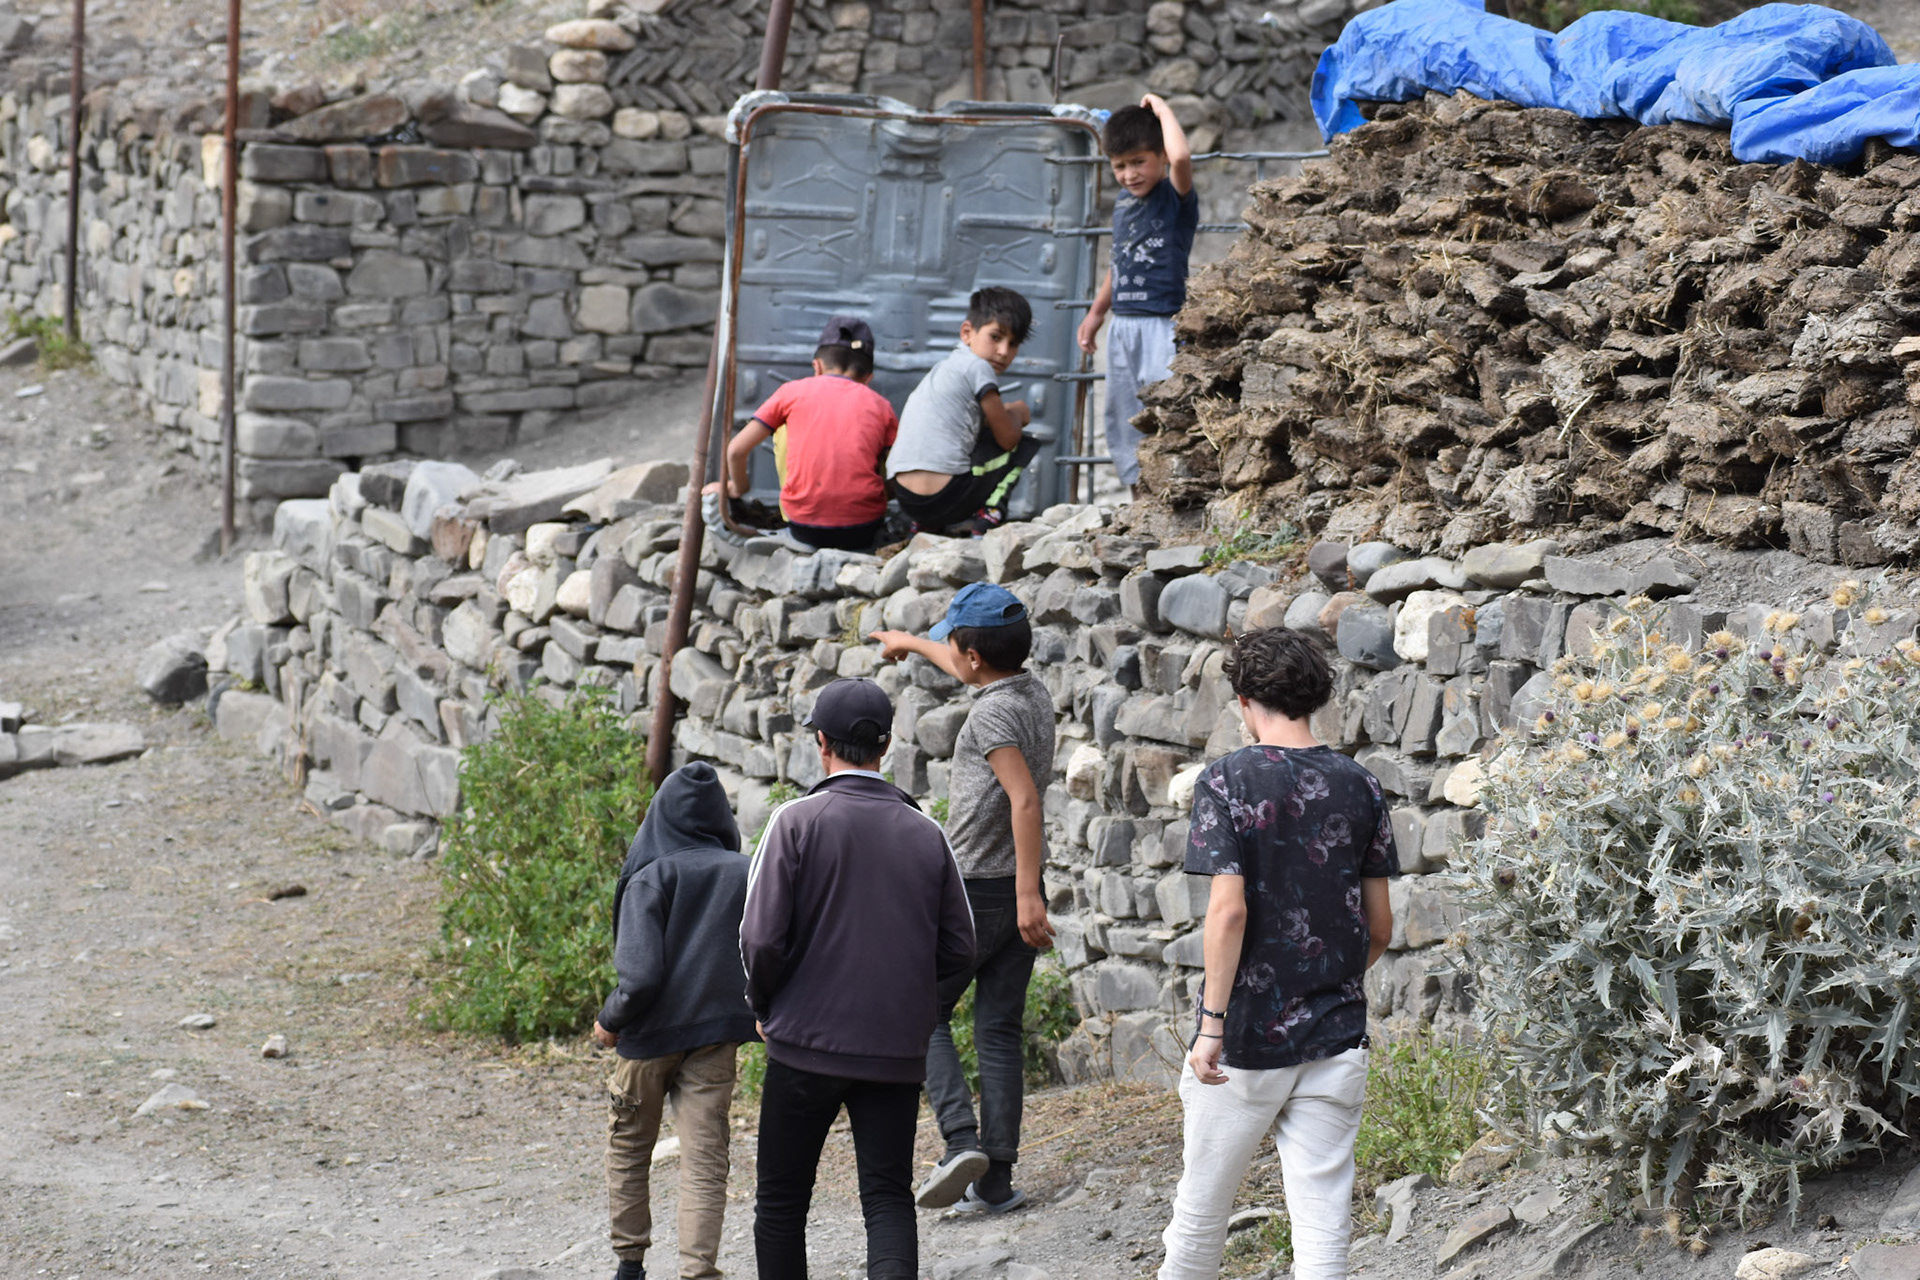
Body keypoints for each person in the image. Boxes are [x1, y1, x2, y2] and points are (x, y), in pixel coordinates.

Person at [1158, 627, 1398, 1280]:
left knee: (1200, 1218)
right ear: (1316, 697)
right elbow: (1379, 927)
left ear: (1244, 701)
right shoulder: (1362, 785)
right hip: (1336, 1034)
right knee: (1323, 1229)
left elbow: (1228, 912)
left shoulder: (1227, 781)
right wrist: (1325, 982)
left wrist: (1211, 1025)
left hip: (1244, 1038)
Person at [740, 677, 977, 1280]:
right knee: (888, 1198)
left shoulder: (795, 822)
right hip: (894, 1051)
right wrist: (918, 1009)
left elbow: (759, 938)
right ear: (887, 745)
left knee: (782, 1203)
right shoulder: (926, 831)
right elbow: (961, 947)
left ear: (821, 742)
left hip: (802, 1044)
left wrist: (763, 1005)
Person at [869, 582, 1055, 1216]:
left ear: (975, 655)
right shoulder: (1028, 690)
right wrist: (911, 643)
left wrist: (1026, 896)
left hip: (980, 890)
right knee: (998, 1031)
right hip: (1016, 889)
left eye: (951, 643)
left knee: (919, 1010)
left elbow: (1023, 800)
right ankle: (995, 1181)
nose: (950, 653)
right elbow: (964, 664)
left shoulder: (990, 717)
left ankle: (959, 1142)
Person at [591, 760, 761, 1280]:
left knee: (629, 1147)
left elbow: (640, 977)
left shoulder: (652, 875)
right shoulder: (746, 871)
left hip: (647, 1040)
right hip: (715, 1039)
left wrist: (609, 1019)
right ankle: (697, 1270)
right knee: (705, 1161)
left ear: (659, 814)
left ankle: (630, 1265)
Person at [1075, 94, 1198, 498]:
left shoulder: (1174, 197)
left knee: (1166, 407)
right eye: (1120, 166)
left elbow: (1182, 158)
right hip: (1123, 324)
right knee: (1124, 415)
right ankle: (1138, 498)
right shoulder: (1124, 204)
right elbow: (1119, 261)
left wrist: (1162, 111)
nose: (1129, 175)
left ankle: (1174, 490)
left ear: (1160, 156)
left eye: (1139, 162)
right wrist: (1097, 312)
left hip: (1162, 322)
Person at [718, 315, 899, 551]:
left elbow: (735, 450)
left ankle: (788, 531)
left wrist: (737, 489)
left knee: (783, 428)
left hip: (804, 527)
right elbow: (900, 473)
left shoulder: (791, 392)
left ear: (817, 366)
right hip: (863, 529)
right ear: (868, 378)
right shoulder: (881, 405)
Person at [885, 286, 1041, 536]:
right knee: (1023, 443)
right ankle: (989, 516)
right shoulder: (978, 367)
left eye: (1013, 344)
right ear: (967, 332)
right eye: (996, 337)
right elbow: (1007, 438)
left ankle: (926, 526)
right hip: (944, 496)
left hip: (907, 498)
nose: (1003, 351)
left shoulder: (945, 368)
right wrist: (1018, 411)